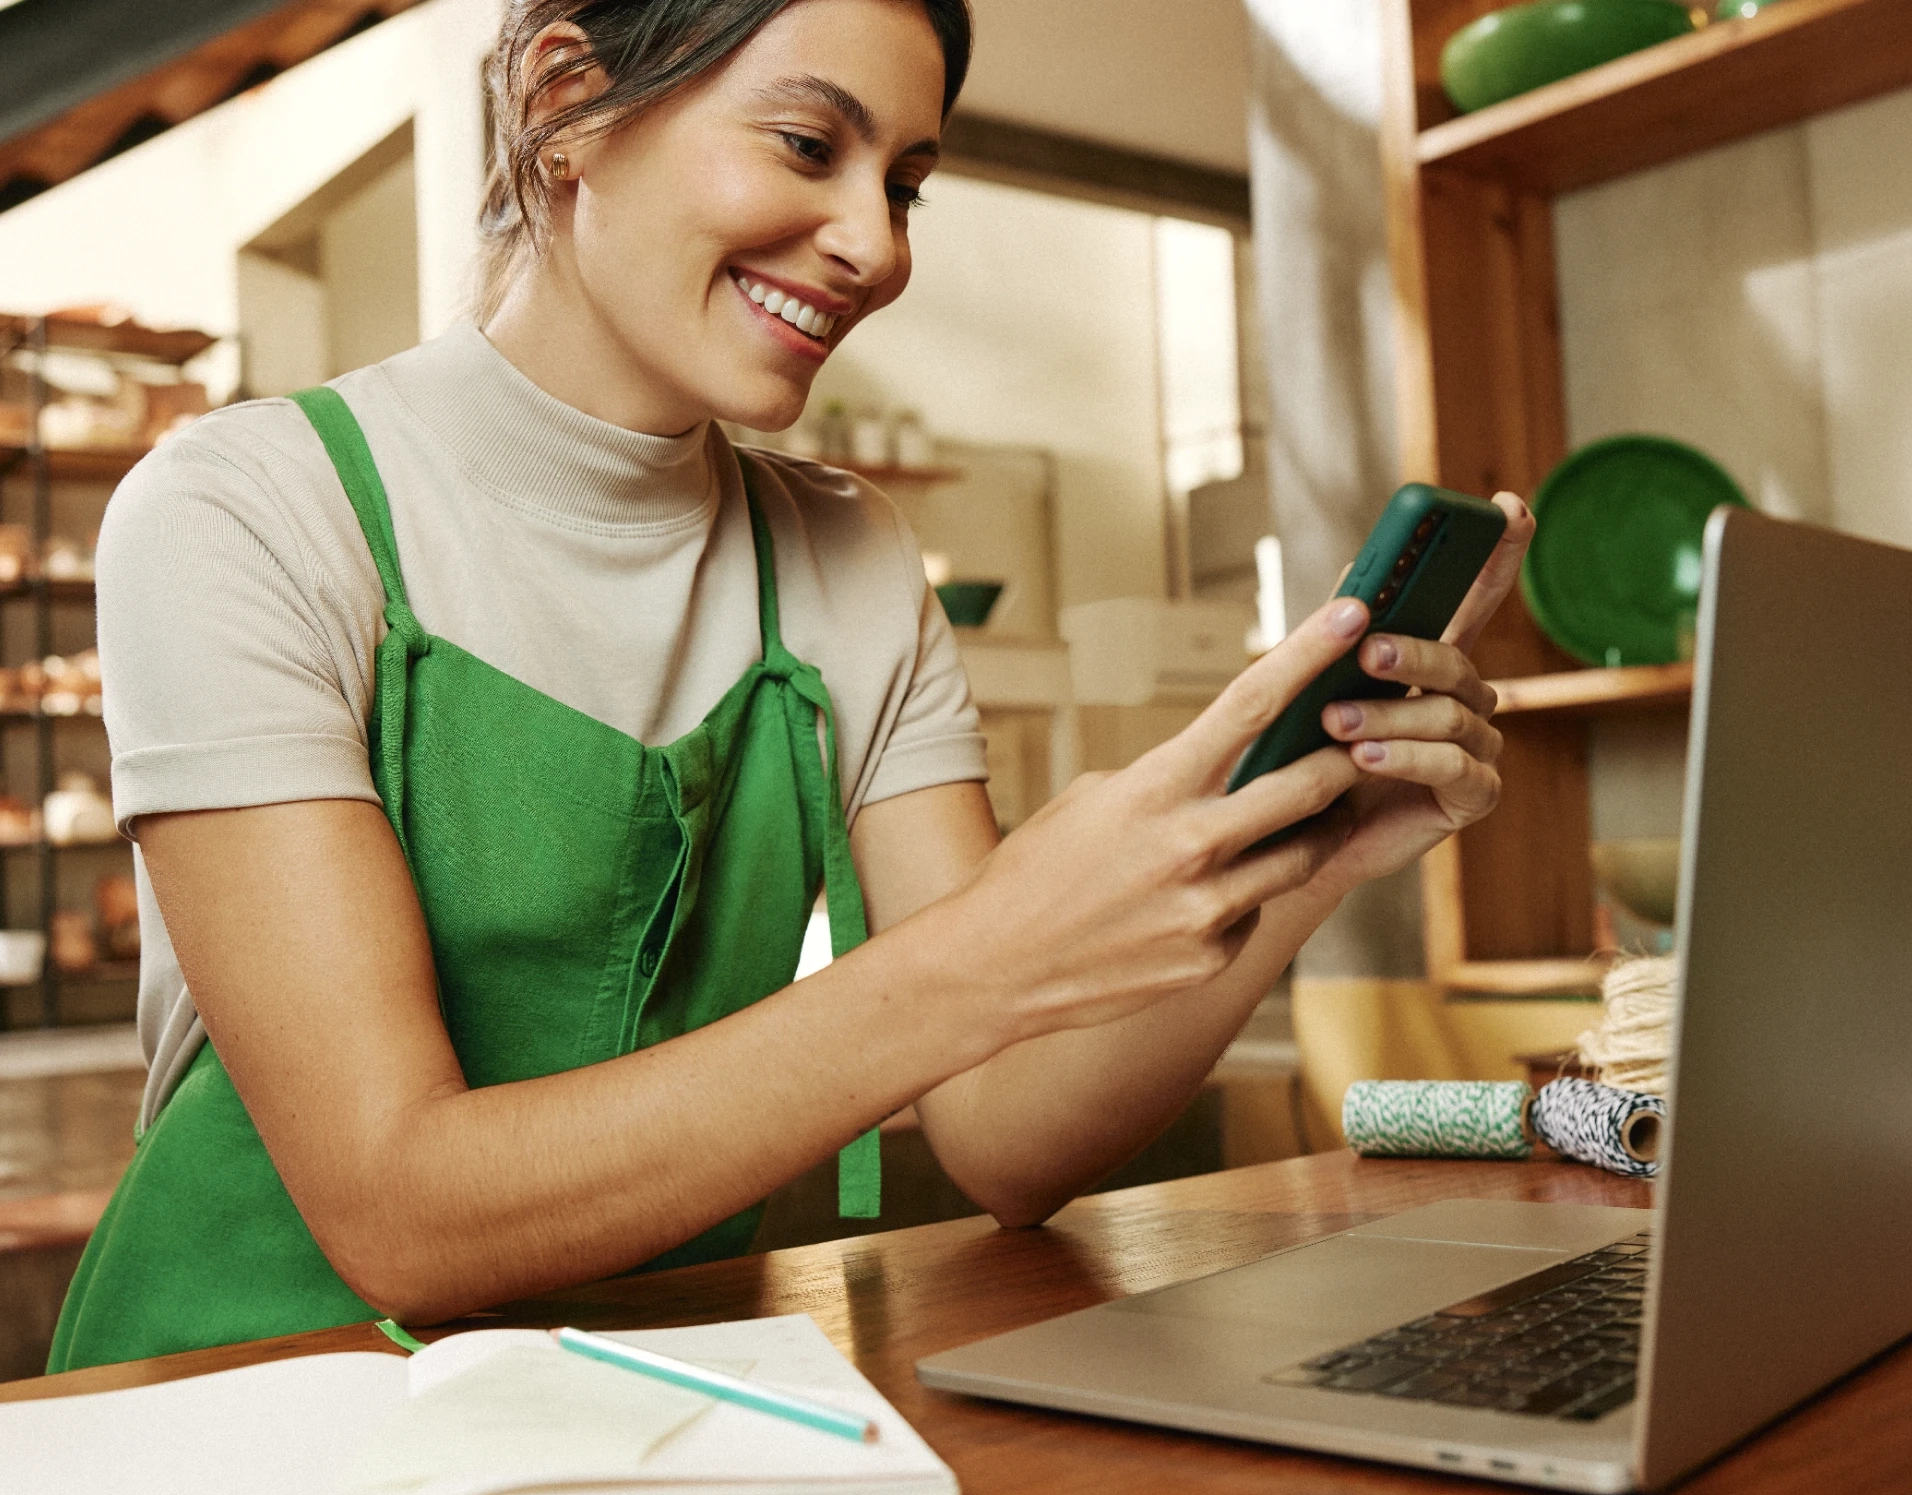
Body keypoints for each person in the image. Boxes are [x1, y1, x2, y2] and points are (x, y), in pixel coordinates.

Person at [49, 0, 1533, 1372]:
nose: (874, 246)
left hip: (659, 1401)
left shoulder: (849, 555)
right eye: (812, 146)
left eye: (904, 183)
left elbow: (1008, 1133)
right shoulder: (243, 510)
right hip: (231, 1404)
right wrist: (988, 953)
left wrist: (1305, 838)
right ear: (567, 102)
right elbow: (400, 1214)